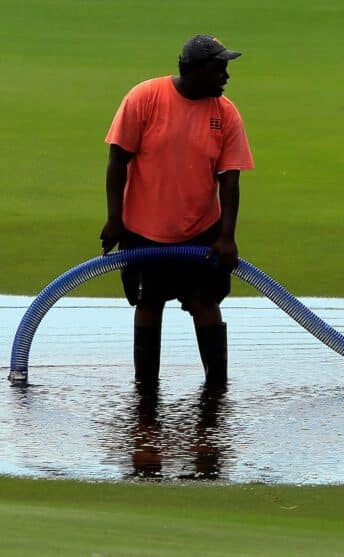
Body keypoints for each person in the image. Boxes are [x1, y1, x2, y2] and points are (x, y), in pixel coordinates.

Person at [100, 35, 254, 386]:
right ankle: (145, 389)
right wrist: (114, 219)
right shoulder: (145, 98)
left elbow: (230, 181)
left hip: (202, 232)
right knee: (149, 304)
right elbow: (117, 160)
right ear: (194, 71)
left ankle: (217, 388)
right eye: (219, 70)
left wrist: (227, 238)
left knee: (205, 303)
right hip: (142, 230)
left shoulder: (225, 113)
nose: (226, 77)